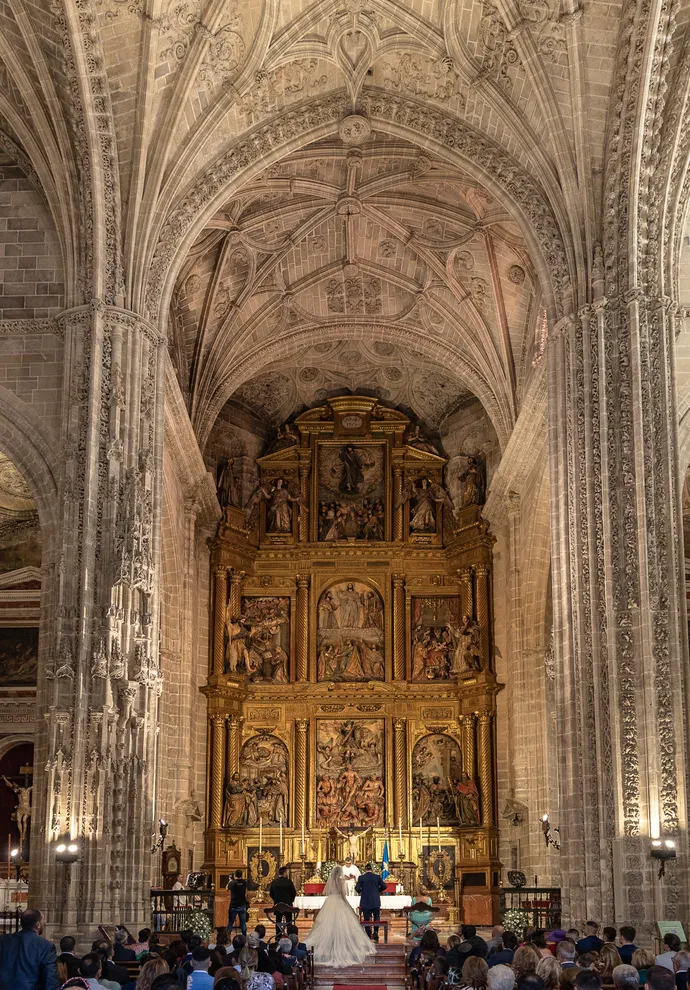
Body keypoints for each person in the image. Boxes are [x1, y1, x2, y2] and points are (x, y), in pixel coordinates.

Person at [305, 864, 377, 967]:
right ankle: (342, 944)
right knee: (342, 924)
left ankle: (330, 943)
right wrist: (347, 905)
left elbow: (328, 892)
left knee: (328, 924)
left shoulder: (331, 882)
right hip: (339, 901)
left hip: (330, 902)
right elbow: (343, 894)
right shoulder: (341, 881)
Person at [0, 907, 59, 990]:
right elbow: (50, 980)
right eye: (43, 921)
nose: (44, 923)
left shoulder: (3, 940)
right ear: (38, 924)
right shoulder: (46, 946)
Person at [355, 863, 387, 942]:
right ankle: (376, 933)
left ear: (365, 870)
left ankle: (368, 935)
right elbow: (384, 886)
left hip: (365, 901)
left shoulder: (361, 878)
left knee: (366, 918)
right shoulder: (377, 877)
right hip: (375, 900)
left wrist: (361, 891)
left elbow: (357, 888)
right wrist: (378, 891)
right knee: (376, 917)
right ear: (372, 869)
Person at [268, 867, 297, 933]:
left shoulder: (274, 882)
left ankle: (278, 936)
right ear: (285, 872)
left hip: (278, 905)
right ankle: (290, 935)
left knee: (278, 921)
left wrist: (276, 899)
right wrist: (290, 900)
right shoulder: (289, 882)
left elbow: (271, 893)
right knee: (289, 921)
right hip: (288, 905)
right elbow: (293, 893)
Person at [228, 870, 248, 936]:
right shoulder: (244, 882)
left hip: (234, 905)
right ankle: (244, 936)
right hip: (242, 904)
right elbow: (246, 892)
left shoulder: (232, 883)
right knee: (243, 923)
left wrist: (229, 881)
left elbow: (226, 888)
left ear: (235, 875)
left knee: (231, 922)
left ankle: (227, 937)